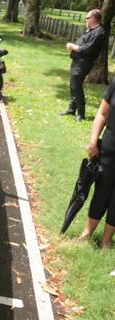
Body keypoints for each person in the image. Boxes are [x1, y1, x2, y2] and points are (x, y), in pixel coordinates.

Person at [78, 77, 115, 249]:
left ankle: (106, 241)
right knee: (102, 190)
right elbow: (102, 113)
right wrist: (93, 141)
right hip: (109, 147)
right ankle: (87, 233)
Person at [60, 9, 107, 121]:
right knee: (73, 85)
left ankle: (81, 114)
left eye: (87, 18)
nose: (86, 20)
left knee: (77, 87)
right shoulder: (91, 30)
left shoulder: (99, 32)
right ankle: (72, 109)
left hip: (83, 63)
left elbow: (87, 49)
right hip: (77, 62)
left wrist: (72, 46)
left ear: (94, 19)